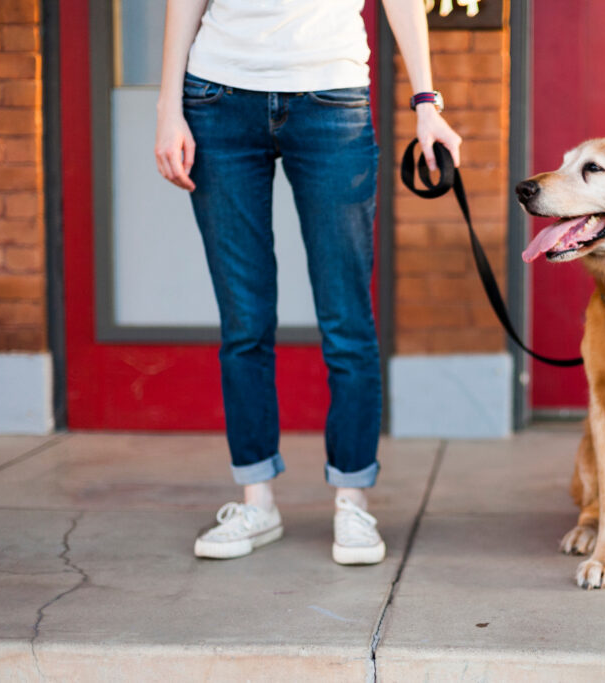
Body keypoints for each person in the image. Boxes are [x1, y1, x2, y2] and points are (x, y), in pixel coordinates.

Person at [154, 0, 461, 565]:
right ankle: (257, 500)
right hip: (217, 99)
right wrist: (168, 105)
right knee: (244, 320)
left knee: (346, 316)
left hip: (331, 99)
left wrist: (425, 101)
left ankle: (351, 497)